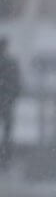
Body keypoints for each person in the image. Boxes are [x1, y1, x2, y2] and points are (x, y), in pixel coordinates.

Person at [0, 38, 21, 170]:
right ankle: (5, 158)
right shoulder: (11, 64)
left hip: (6, 100)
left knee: (7, 130)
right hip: (7, 101)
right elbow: (17, 84)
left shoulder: (10, 64)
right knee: (7, 131)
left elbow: (16, 84)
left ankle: (5, 157)